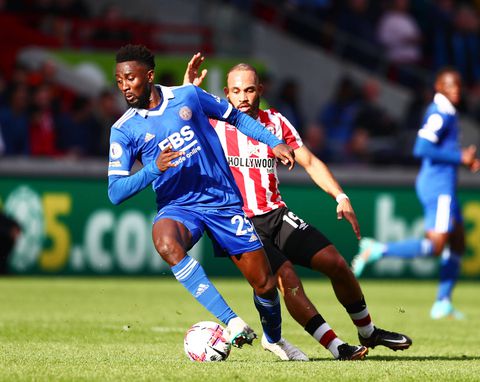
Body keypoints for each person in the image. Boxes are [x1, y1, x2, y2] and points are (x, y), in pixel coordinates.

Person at [183, 53, 412, 360]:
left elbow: (310, 161)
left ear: (260, 90)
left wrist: (341, 197)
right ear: (226, 94)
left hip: (276, 214)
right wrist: (187, 88)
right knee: (286, 278)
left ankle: (368, 332)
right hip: (238, 223)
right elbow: (180, 114)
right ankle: (336, 347)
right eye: (236, 91)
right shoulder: (213, 122)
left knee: (337, 264)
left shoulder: (275, 122)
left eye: (249, 90)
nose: (243, 97)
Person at [107, 44, 307, 361]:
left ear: (148, 76)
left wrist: (274, 141)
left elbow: (237, 118)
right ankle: (232, 322)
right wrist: (153, 169)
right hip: (179, 207)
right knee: (165, 243)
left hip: (222, 203)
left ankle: (274, 339)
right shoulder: (123, 130)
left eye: (130, 79)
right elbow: (116, 192)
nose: (124, 87)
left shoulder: (187, 97)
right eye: (119, 81)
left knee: (265, 284)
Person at [352, 68, 480, 319]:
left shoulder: (447, 112)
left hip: (445, 185)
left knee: (458, 241)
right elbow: (421, 148)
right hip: (438, 186)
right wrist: (459, 157)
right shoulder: (440, 114)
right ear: (439, 87)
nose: (456, 90)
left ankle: (443, 302)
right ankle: (377, 250)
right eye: (450, 86)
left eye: (458, 86)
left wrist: (463, 160)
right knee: (436, 246)